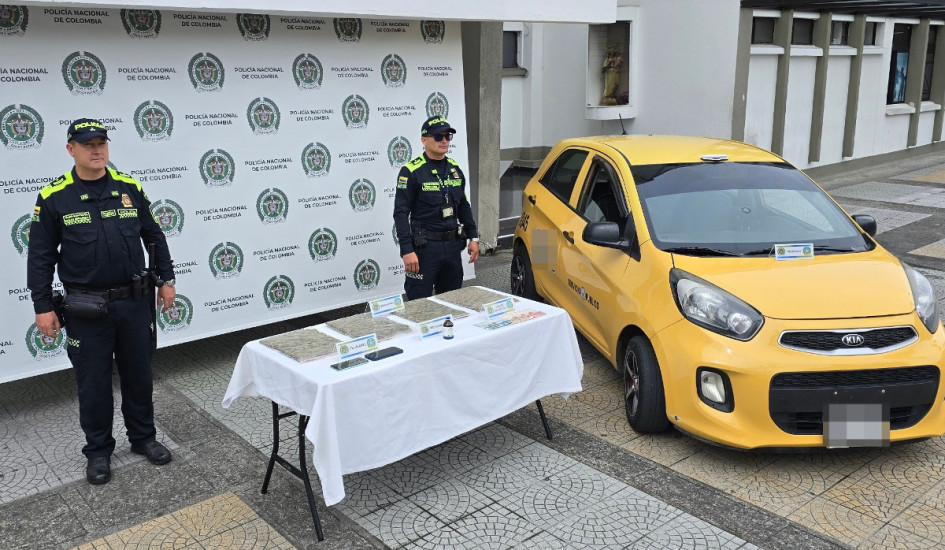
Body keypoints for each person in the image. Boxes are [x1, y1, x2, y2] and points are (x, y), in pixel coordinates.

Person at [27, 118, 177, 485]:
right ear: (71, 149)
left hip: (134, 302)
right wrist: (42, 305)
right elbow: (40, 255)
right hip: (86, 309)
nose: (96, 150)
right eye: (87, 144)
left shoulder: (129, 187)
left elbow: (153, 236)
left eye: (101, 143)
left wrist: (166, 279)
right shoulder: (53, 197)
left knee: (139, 376)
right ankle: (98, 452)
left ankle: (144, 438)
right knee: (93, 383)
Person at [393, 116, 479, 299]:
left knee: (452, 300)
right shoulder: (411, 171)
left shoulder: (455, 169)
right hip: (425, 249)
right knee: (419, 304)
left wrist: (473, 237)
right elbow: (400, 214)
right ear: (424, 140)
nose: (444, 141)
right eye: (438, 137)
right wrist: (407, 250)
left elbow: (463, 205)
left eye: (448, 136)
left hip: (452, 246)